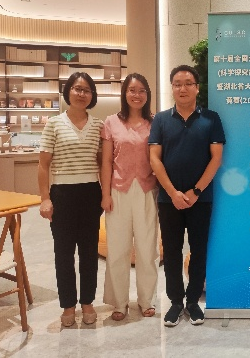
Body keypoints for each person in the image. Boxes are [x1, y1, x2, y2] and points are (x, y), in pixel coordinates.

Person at [148, 64, 225, 327]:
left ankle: (193, 301)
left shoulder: (211, 119)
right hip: (168, 199)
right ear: (172, 88)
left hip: (200, 199)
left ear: (197, 88)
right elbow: (155, 159)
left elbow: (216, 159)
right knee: (171, 251)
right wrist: (173, 193)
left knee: (198, 250)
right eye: (177, 84)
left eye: (188, 83)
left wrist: (195, 191)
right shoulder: (160, 120)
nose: (183, 88)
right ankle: (175, 302)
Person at [38, 72, 103, 327]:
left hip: (90, 193)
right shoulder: (54, 124)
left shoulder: (98, 125)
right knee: (63, 253)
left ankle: (87, 302)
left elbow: (102, 163)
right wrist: (45, 198)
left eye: (86, 90)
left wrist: (106, 193)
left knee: (89, 252)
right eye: (77, 88)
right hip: (62, 194)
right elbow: (43, 165)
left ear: (92, 95)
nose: (81, 94)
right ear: (68, 92)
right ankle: (67, 305)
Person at [101, 73, 158, 321]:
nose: (137, 95)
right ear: (124, 94)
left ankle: (147, 300)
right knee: (117, 249)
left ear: (147, 95)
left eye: (142, 90)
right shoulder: (111, 122)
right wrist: (105, 194)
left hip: (147, 190)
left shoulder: (155, 123)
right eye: (132, 90)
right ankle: (119, 302)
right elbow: (105, 162)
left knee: (148, 249)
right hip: (118, 191)